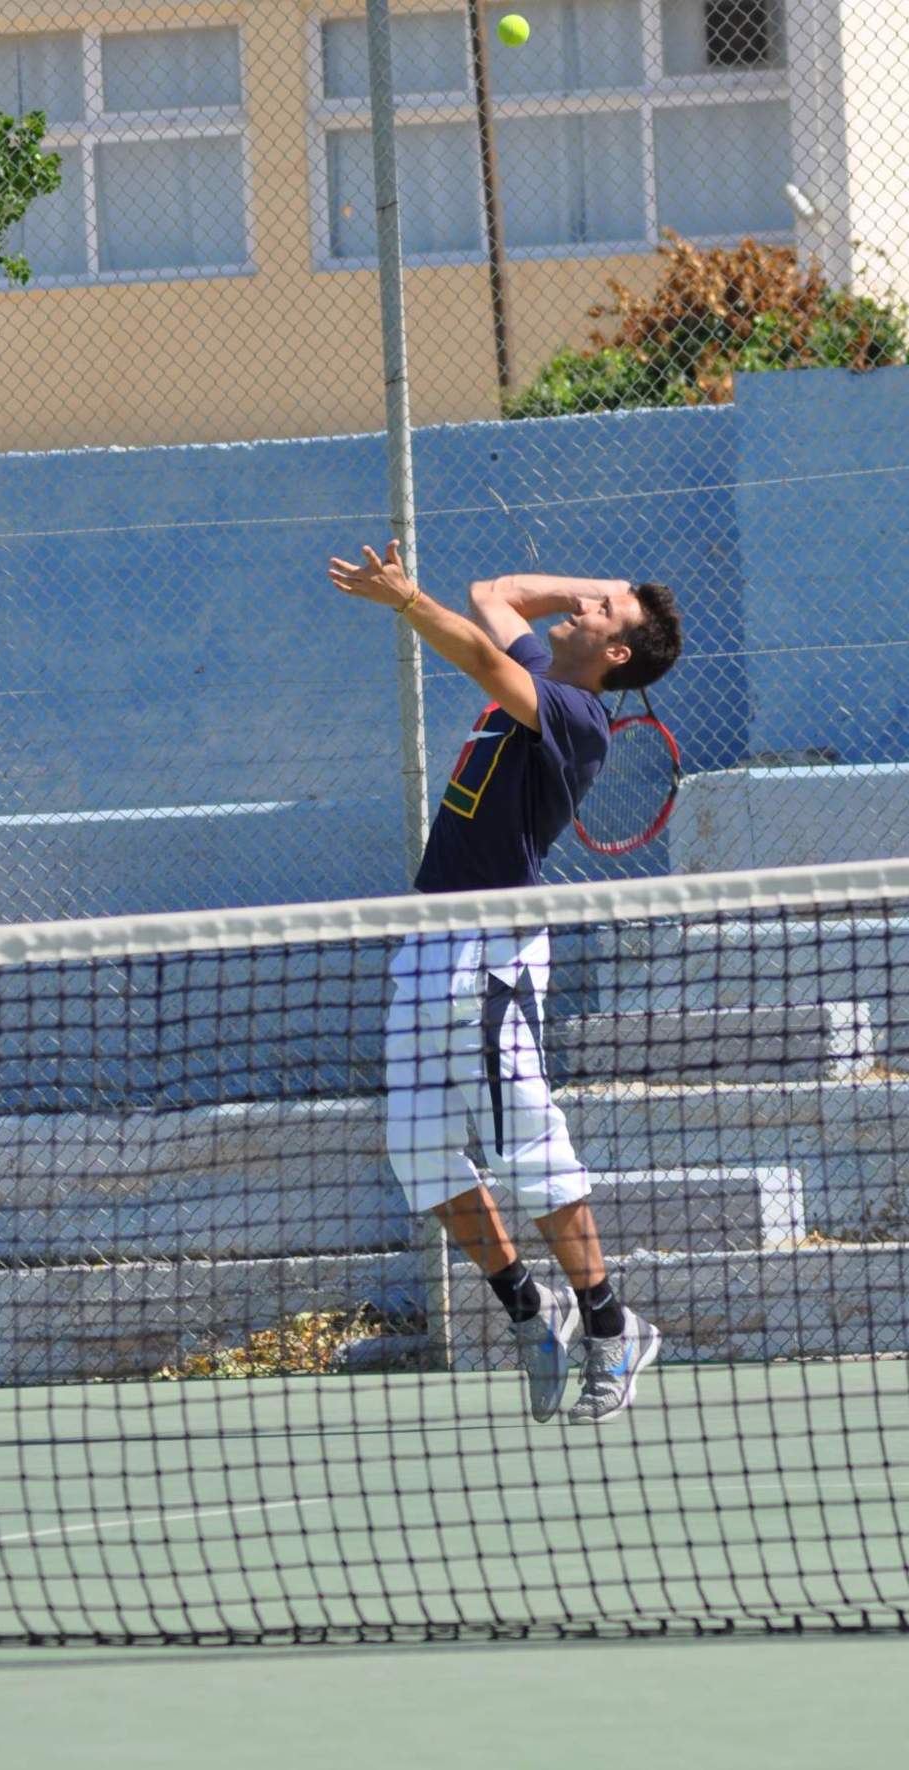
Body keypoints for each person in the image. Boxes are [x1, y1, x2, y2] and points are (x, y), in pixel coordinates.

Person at [326, 541, 683, 1424]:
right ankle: (531, 1311)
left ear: (618, 656)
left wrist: (409, 600)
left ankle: (609, 1326)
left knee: (527, 1153)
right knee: (417, 1150)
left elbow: (482, 650)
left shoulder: (578, 716)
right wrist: (598, 582)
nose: (589, 607)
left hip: (492, 948)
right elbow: (493, 594)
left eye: (606, 613)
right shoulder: (547, 663)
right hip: (423, 935)